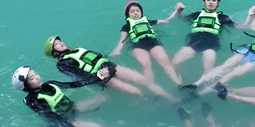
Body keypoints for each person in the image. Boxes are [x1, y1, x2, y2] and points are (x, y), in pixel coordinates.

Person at [11, 66, 130, 127]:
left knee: (104, 97)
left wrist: (97, 78)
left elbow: (75, 84)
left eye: (35, 74)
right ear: (25, 87)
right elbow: (53, 116)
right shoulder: (34, 101)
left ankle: (135, 103)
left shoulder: (50, 84)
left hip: (73, 108)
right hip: (66, 120)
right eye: (32, 78)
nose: (37, 78)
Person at [44, 34, 174, 100]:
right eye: (56, 44)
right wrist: (99, 76)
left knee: (144, 80)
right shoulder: (62, 65)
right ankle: (149, 108)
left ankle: (172, 99)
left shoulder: (77, 50)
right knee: (135, 91)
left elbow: (95, 58)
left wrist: (111, 54)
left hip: (109, 66)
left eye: (59, 40)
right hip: (102, 78)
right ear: (54, 53)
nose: (60, 42)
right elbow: (80, 79)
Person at [172, 0, 255, 73]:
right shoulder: (196, 15)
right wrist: (178, 11)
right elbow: (181, 18)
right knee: (174, 63)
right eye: (208, 0)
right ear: (204, 2)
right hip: (193, 42)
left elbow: (240, 26)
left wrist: (249, 16)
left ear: (218, 3)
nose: (210, 2)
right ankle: (179, 82)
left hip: (211, 45)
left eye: (214, 0)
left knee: (208, 71)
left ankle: (205, 86)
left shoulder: (222, 17)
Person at [110, 1, 185, 86]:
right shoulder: (126, 27)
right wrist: (117, 50)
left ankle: (179, 83)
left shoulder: (148, 21)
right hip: (138, 46)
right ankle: (152, 87)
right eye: (132, 11)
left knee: (164, 61)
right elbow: (122, 40)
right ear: (128, 15)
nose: (135, 13)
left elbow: (167, 21)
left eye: (137, 11)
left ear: (141, 12)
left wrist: (177, 11)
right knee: (146, 64)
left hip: (153, 43)